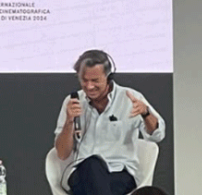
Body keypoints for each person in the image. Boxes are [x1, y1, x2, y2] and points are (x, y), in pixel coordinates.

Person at [53, 49, 166, 195]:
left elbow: (157, 135)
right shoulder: (72, 102)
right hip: (81, 173)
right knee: (92, 165)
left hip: (120, 174)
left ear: (108, 77)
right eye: (84, 80)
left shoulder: (130, 98)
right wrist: (69, 122)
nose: (89, 86)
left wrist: (146, 113)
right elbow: (62, 154)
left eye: (95, 81)